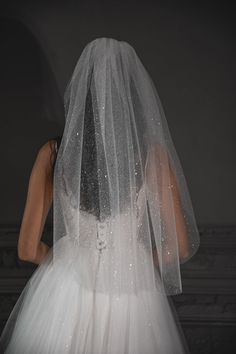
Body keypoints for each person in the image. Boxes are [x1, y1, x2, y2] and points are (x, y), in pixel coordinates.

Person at [0, 37, 200, 354]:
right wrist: (132, 265)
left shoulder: (53, 155)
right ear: (132, 96)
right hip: (132, 292)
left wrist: (69, 263)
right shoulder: (151, 157)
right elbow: (179, 246)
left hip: (65, 291)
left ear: (80, 92)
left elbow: (26, 250)